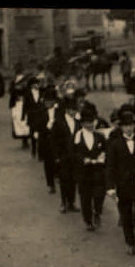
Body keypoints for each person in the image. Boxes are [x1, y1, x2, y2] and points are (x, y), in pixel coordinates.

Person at [106, 108, 135, 256]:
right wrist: (110, 187)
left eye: (131, 125)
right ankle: (130, 243)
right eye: (126, 125)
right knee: (125, 214)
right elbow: (110, 166)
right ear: (121, 127)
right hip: (123, 185)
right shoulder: (115, 144)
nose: (129, 128)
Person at [72, 103, 109, 232]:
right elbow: (75, 152)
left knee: (99, 194)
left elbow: (106, 150)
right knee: (85, 197)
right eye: (87, 122)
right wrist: (83, 159)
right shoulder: (78, 136)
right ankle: (88, 220)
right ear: (82, 123)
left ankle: (97, 212)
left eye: (92, 122)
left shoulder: (100, 136)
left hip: (98, 171)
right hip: (84, 172)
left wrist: (103, 156)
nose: (90, 125)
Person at [51, 85, 80, 213]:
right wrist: (56, 156)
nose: (73, 112)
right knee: (64, 179)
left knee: (73, 180)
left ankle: (72, 202)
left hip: (74, 156)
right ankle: (63, 202)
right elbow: (54, 140)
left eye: (75, 110)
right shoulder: (59, 122)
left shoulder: (78, 123)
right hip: (63, 155)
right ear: (67, 110)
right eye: (71, 110)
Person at [28, 86, 59, 194]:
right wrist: (44, 128)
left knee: (57, 161)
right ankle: (50, 184)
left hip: (58, 141)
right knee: (48, 163)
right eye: (46, 101)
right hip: (46, 141)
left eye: (50, 101)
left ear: (54, 101)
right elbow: (36, 124)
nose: (47, 103)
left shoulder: (59, 111)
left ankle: (57, 176)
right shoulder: (40, 111)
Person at [21, 76, 45, 158]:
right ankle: (34, 150)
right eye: (35, 84)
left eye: (37, 83)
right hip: (32, 116)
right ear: (31, 85)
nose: (36, 85)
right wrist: (23, 116)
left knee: (41, 133)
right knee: (32, 134)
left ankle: (40, 151)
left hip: (41, 116)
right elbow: (25, 105)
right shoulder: (27, 94)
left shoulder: (42, 92)